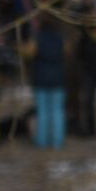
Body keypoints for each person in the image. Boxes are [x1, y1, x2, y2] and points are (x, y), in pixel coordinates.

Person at [29, 18, 67, 149]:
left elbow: (30, 51)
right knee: (57, 111)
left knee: (42, 111)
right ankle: (57, 141)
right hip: (58, 79)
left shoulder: (37, 38)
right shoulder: (60, 39)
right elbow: (67, 52)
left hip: (41, 79)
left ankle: (42, 141)